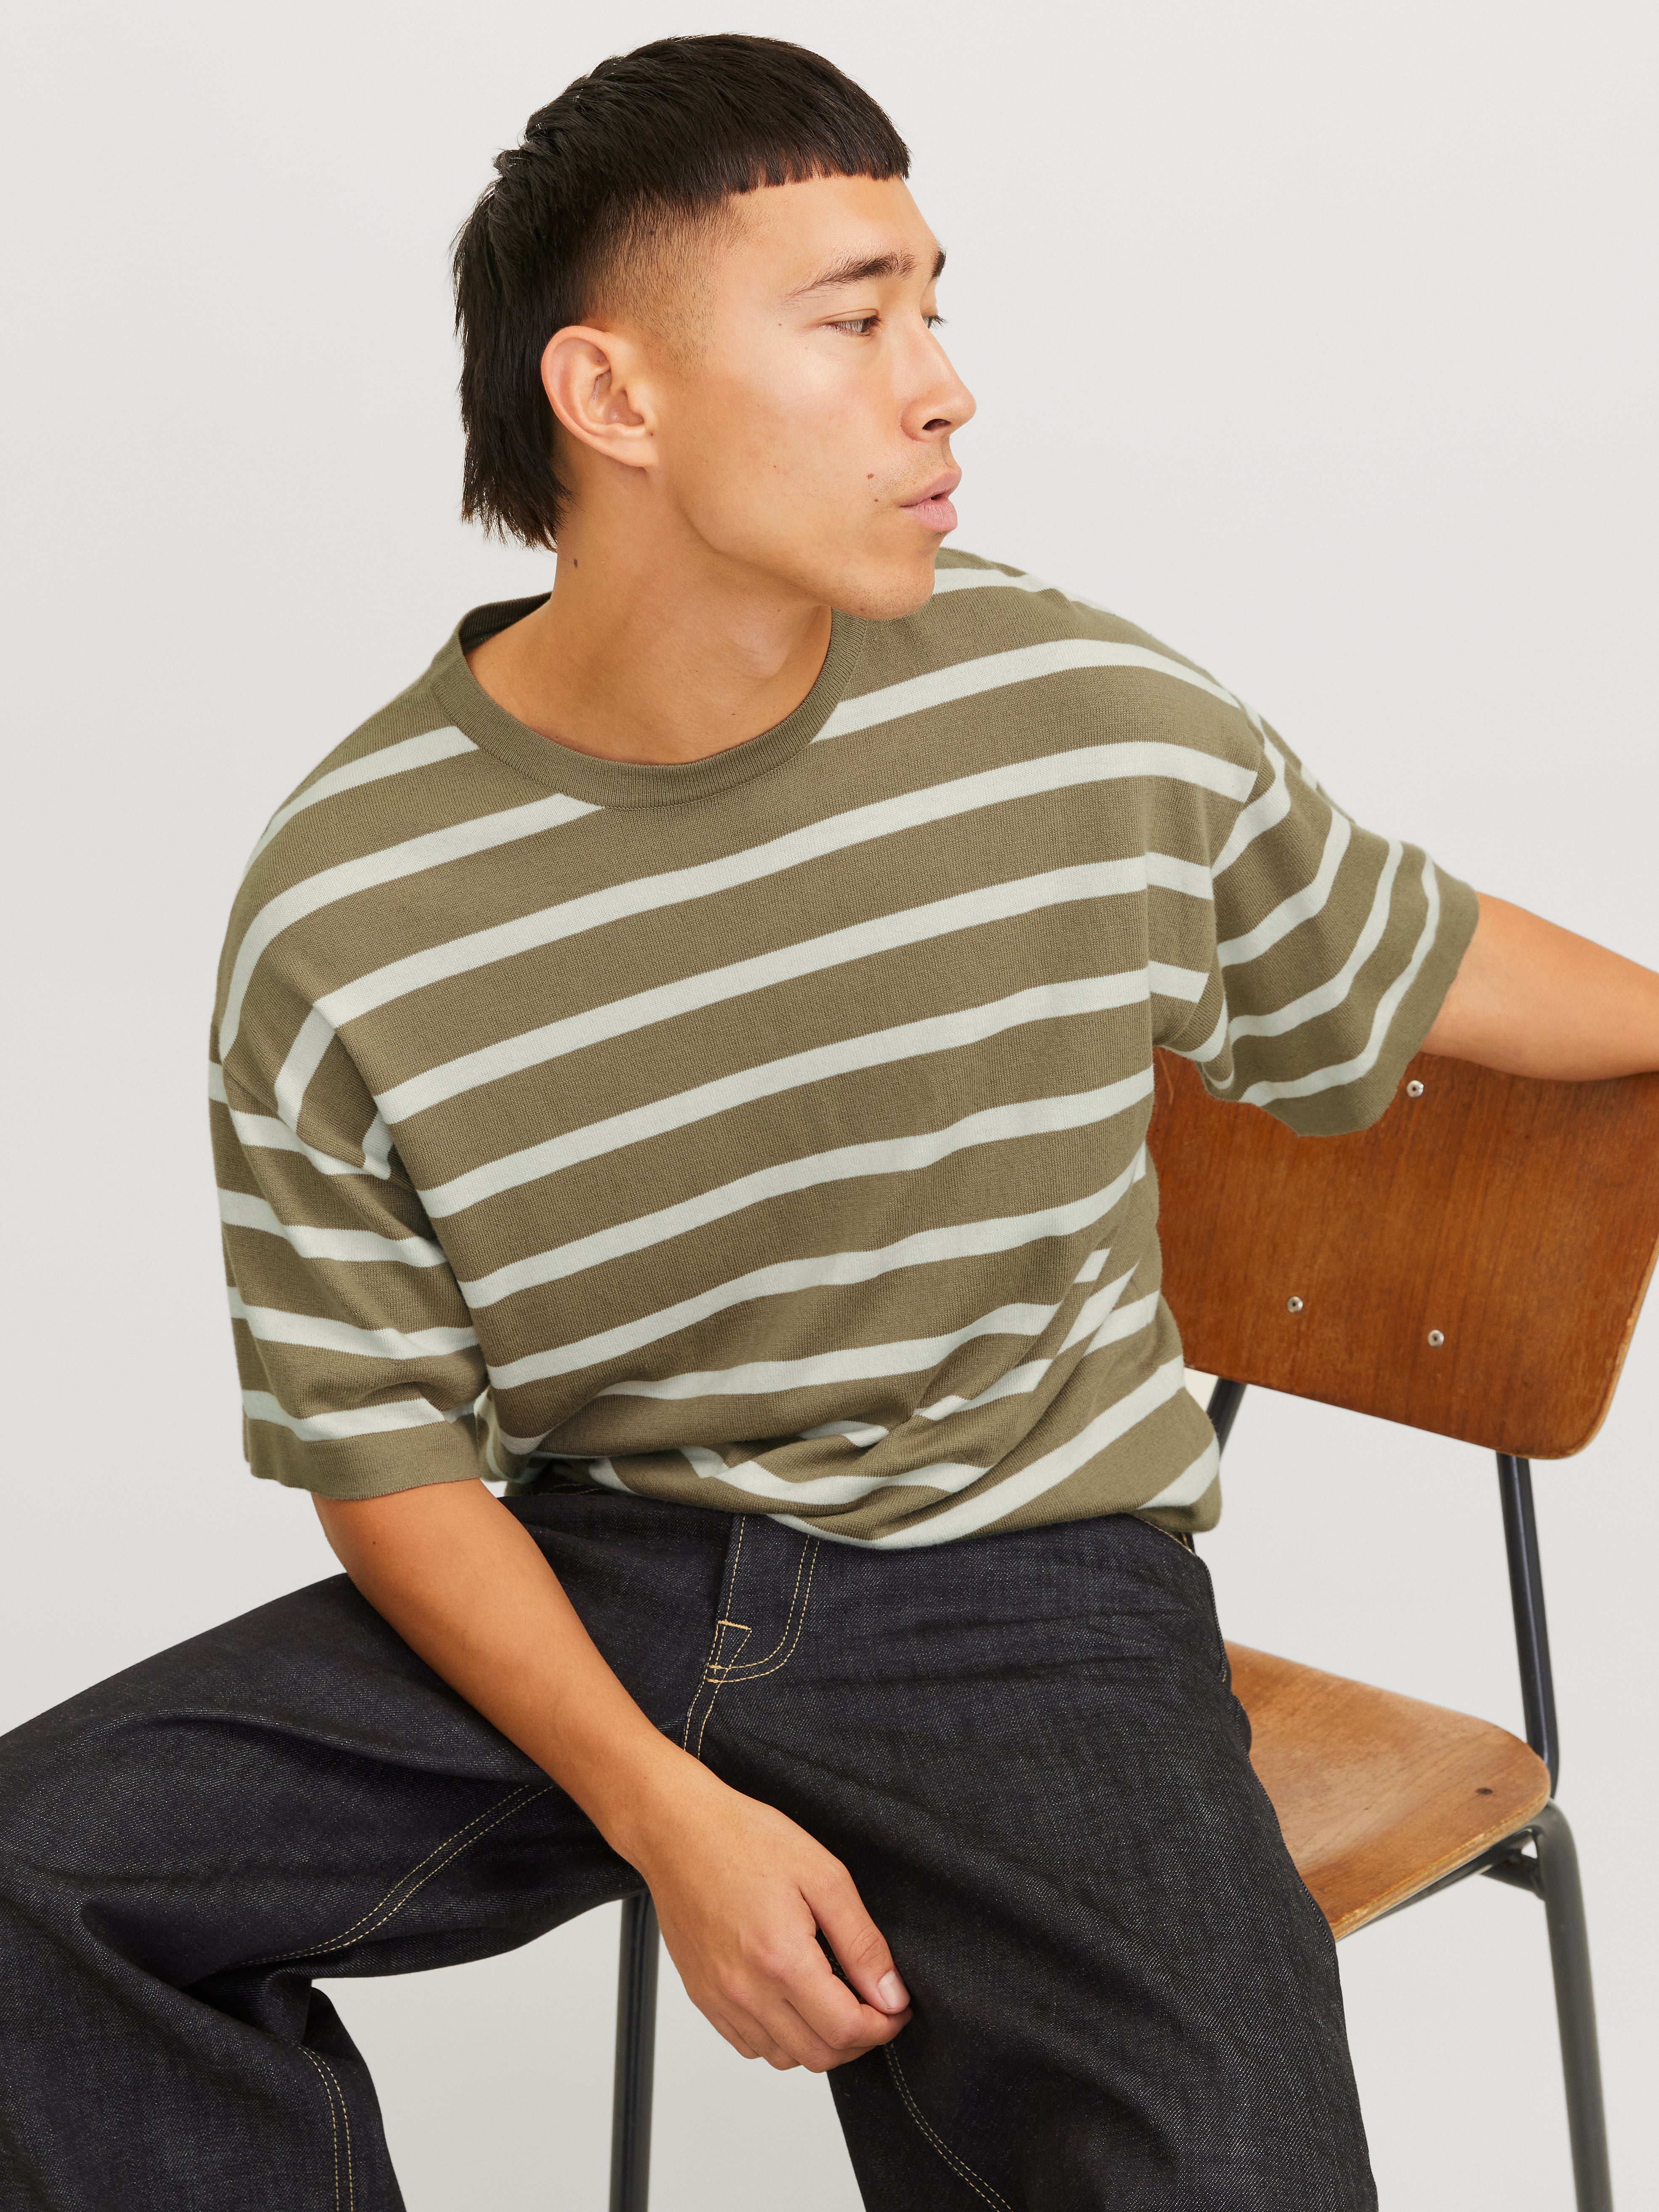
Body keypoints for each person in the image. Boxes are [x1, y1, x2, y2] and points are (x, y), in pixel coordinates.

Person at [1, 32, 1654, 2212]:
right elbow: (384, 1454)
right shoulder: (352, 902)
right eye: (857, 320)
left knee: (1231, 2173)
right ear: (614, 397)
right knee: (38, 1892)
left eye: (936, 307)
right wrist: (666, 1812)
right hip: (597, 1567)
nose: (944, 387)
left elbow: (1412, 959)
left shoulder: (1069, 713)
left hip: (1024, 1581)